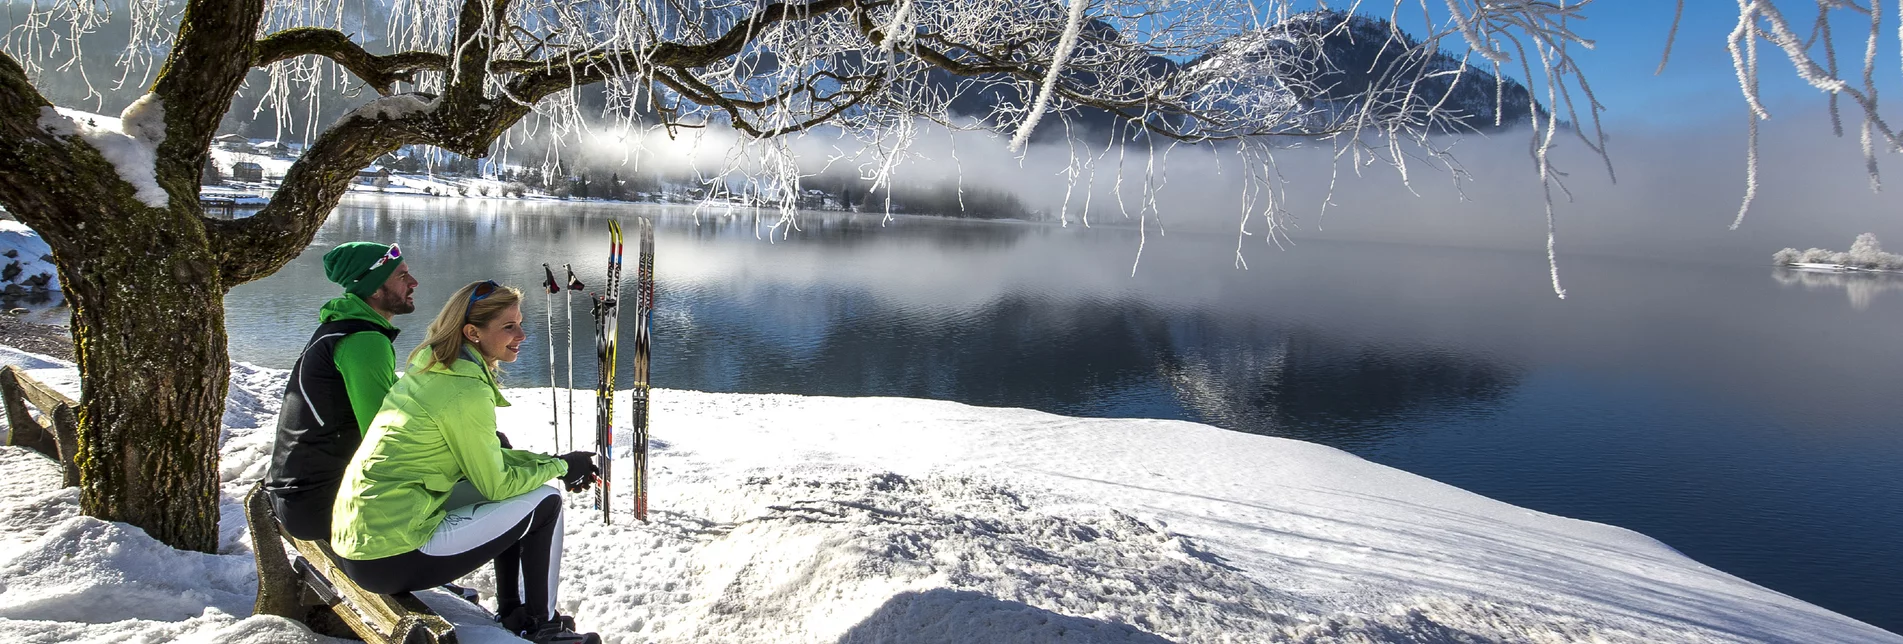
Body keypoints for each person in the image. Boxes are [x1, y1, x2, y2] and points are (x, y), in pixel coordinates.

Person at [329, 280, 602, 644]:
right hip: (390, 554)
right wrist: (562, 468)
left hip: (361, 538)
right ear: (472, 332)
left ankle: (514, 611)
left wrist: (552, 463)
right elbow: (497, 484)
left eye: (520, 322)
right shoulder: (463, 390)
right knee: (546, 501)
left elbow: (490, 462)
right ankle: (542, 624)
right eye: (509, 327)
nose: (522, 334)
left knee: (528, 489)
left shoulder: (433, 366)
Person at [264, 241, 418, 541]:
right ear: (374, 289)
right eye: (401, 276)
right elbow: (382, 435)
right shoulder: (364, 341)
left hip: (295, 494)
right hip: (319, 505)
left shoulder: (340, 327)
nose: (413, 282)